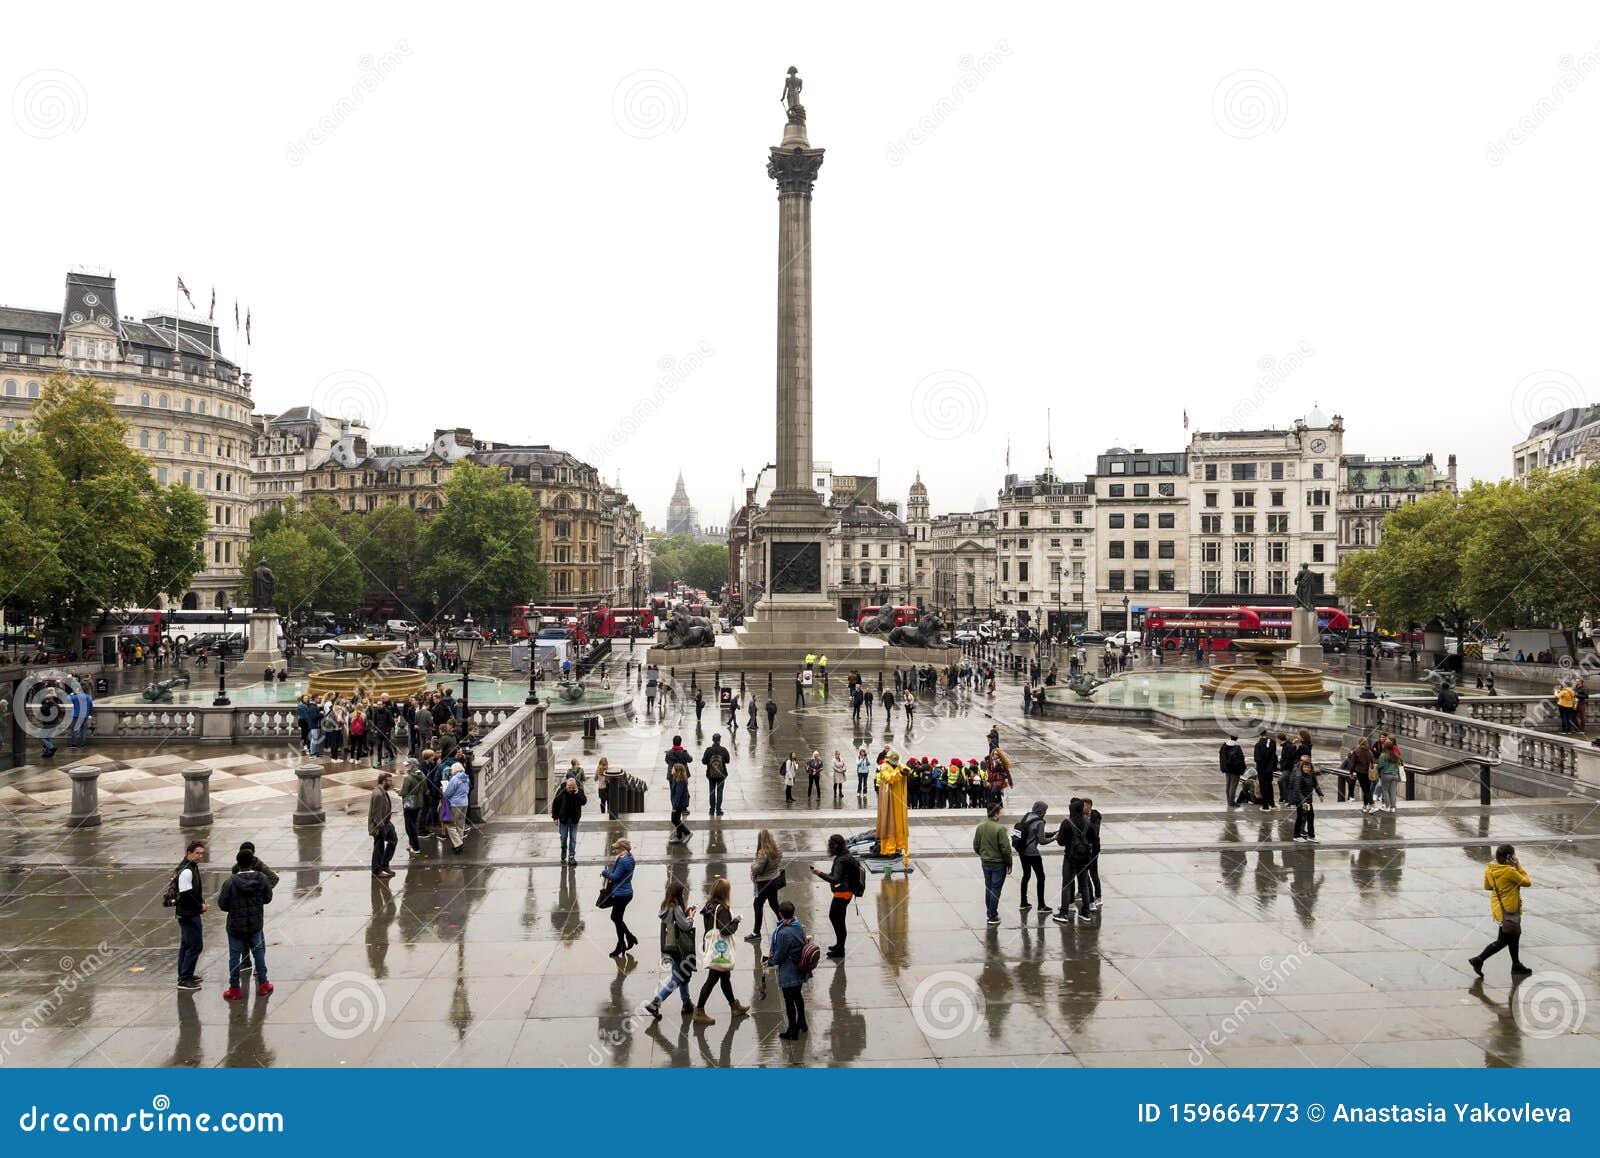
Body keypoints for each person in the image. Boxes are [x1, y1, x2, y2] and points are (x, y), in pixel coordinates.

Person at [1468, 844, 1533, 979]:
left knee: (1514, 935)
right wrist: (1518, 866)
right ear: (1509, 857)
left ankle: (1516, 964)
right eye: (1514, 855)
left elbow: (1487, 886)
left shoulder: (1490, 869)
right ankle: (1478, 960)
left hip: (1498, 908)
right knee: (1503, 940)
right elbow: (1527, 882)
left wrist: (1502, 886)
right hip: (1509, 910)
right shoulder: (1509, 871)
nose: (1516, 857)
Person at [218, 849, 274, 1000]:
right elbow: (268, 898)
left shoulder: (230, 882)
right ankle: (263, 984)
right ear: (252, 862)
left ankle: (235, 989)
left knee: (234, 957)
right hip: (255, 923)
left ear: (238, 863)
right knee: (259, 952)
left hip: (236, 925)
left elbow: (222, 904)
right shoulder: (261, 878)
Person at [692, 877, 748, 1023]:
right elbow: (725, 930)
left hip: (711, 944)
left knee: (724, 976)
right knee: (712, 979)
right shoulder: (722, 908)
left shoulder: (709, 905)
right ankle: (699, 1011)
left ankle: (734, 1006)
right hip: (720, 948)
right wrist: (735, 922)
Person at [644, 880, 698, 1019]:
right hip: (679, 946)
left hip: (670, 943)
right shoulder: (676, 908)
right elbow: (686, 926)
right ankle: (656, 1002)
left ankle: (686, 1003)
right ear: (679, 894)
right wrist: (691, 917)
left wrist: (684, 914)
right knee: (677, 977)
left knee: (682, 974)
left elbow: (674, 923)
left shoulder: (665, 906)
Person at [810, 833, 859, 956]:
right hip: (846, 893)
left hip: (842, 895)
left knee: (838, 921)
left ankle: (840, 949)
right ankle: (839, 945)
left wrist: (819, 873)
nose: (829, 849)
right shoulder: (846, 856)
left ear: (835, 846)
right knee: (836, 918)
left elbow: (836, 879)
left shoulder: (841, 860)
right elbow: (841, 875)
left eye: (830, 846)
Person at [1048, 799, 1095, 923]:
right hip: (1084, 858)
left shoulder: (1067, 823)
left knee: (1066, 885)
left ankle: (1064, 913)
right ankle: (1086, 913)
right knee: (1084, 885)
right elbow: (1094, 839)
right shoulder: (1087, 822)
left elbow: (1061, 842)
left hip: (1070, 857)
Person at [768, 900, 809, 1039]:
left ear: (780, 913)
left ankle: (792, 1030)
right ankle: (802, 1022)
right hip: (800, 966)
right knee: (798, 996)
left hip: (789, 970)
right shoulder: (798, 926)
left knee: (789, 1000)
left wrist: (770, 962)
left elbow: (780, 955)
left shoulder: (783, 932)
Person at [172, 840, 207, 991]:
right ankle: (184, 979)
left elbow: (194, 891)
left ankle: (185, 975)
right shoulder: (186, 870)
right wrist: (200, 906)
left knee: (186, 945)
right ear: (189, 853)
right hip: (188, 914)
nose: (200, 856)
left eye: (201, 854)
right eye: (197, 853)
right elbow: (186, 894)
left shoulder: (191, 867)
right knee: (195, 946)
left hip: (188, 913)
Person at [972, 802, 1013, 926]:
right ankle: (992, 915)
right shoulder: (1000, 829)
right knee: (996, 889)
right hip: (998, 864)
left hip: (985, 863)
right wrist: (1009, 863)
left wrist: (984, 855)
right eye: (1000, 811)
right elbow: (1005, 849)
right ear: (996, 814)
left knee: (989, 888)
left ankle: (990, 912)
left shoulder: (980, 827)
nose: (1002, 813)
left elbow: (976, 846)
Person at [747, 827, 785, 943]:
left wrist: (753, 864)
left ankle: (756, 932)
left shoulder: (763, 852)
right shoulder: (777, 849)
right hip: (774, 880)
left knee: (757, 905)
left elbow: (757, 869)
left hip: (764, 882)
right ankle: (784, 922)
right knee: (774, 903)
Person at [602, 838, 637, 958]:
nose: (614, 849)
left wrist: (605, 872)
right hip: (626, 892)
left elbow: (615, 877)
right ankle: (622, 943)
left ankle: (628, 938)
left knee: (615, 918)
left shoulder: (622, 861)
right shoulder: (630, 858)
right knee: (617, 919)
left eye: (616, 847)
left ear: (622, 849)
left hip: (621, 894)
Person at [1014, 800, 1051, 914]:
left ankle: (1023, 902)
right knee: (1041, 877)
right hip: (1032, 853)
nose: (1045, 813)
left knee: (1026, 876)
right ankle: (1041, 905)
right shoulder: (1040, 822)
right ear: (1041, 810)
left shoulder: (1027, 816)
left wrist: (1053, 833)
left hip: (1022, 851)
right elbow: (1042, 840)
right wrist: (1054, 838)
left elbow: (1032, 834)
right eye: (1045, 810)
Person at [1286, 754, 1323, 842]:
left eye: (1308, 767)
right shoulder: (1299, 775)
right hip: (1300, 800)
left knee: (1310, 817)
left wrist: (1320, 794)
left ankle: (1311, 836)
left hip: (1307, 800)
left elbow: (1315, 785)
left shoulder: (1311, 774)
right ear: (1302, 767)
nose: (1307, 769)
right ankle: (1296, 835)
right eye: (1305, 767)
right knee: (1300, 817)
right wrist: (1304, 801)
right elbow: (1297, 790)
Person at [368, 770, 398, 878]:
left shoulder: (382, 791)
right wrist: (380, 827)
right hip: (380, 825)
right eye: (389, 781)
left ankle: (384, 864)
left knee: (393, 840)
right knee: (379, 847)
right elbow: (375, 813)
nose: (391, 783)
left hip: (386, 822)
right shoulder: (378, 794)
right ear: (383, 781)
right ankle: (376, 870)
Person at [551, 775, 587, 864]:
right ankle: (563, 848)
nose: (570, 789)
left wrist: (577, 793)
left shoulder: (579, 791)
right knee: (563, 837)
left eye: (572, 787)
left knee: (573, 838)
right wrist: (555, 817)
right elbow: (555, 804)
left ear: (575, 786)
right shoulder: (561, 791)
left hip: (574, 819)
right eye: (569, 787)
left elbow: (584, 801)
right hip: (563, 819)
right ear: (566, 785)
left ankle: (571, 856)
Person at [440, 760, 471, 853]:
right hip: (465, 803)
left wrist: (443, 790)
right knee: (460, 824)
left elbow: (448, 793)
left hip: (455, 804)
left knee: (450, 825)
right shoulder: (466, 778)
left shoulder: (454, 779)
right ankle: (459, 842)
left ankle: (458, 843)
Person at [399, 759, 427, 854]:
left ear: (412, 766)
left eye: (407, 765)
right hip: (419, 802)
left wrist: (398, 791)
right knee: (414, 823)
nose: (405, 766)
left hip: (409, 802)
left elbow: (404, 792)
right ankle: (411, 844)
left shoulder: (408, 778)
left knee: (410, 826)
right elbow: (425, 789)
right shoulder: (421, 775)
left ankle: (415, 847)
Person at [1081, 796, 1104, 910]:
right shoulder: (1082, 816)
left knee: (1093, 872)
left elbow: (1095, 831)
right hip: (1084, 848)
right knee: (1083, 872)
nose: (1082, 808)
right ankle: (1083, 892)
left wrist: (1087, 821)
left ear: (1089, 806)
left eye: (1084, 805)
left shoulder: (1095, 816)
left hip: (1093, 848)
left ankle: (1098, 896)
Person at [702, 732, 731, 817]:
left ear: (712, 740)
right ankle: (718, 810)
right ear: (719, 740)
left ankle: (711, 810)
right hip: (721, 774)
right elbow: (728, 761)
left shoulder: (708, 750)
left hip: (711, 774)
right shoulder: (723, 750)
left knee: (712, 792)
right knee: (719, 792)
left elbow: (704, 761)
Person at [1348, 737, 1375, 813]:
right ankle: (1365, 806)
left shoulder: (1356, 751)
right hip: (1368, 772)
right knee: (1367, 789)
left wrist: (1351, 773)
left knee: (1365, 790)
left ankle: (1372, 805)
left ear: (1359, 742)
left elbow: (1352, 764)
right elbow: (1372, 762)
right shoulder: (1369, 751)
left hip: (1360, 772)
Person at [1252, 730, 1277, 810]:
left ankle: (1265, 805)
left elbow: (1257, 759)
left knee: (1263, 786)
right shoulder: (1272, 742)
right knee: (1269, 785)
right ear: (1265, 733)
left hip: (1262, 769)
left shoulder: (1258, 745)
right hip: (1270, 768)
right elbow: (1274, 755)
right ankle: (1272, 803)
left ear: (1259, 734)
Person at [1219, 734, 1247, 807]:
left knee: (1228, 784)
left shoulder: (1224, 746)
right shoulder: (1237, 747)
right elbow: (1241, 759)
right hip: (1235, 770)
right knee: (1233, 785)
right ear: (1237, 738)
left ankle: (1229, 800)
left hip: (1227, 768)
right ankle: (1231, 802)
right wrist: (1243, 768)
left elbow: (1221, 757)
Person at [668, 762, 692, 845]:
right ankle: (678, 837)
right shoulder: (676, 779)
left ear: (677, 770)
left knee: (674, 819)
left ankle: (687, 833)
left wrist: (674, 806)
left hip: (679, 804)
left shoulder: (679, 781)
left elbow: (678, 795)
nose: (671, 769)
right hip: (678, 803)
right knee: (677, 819)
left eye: (673, 768)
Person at [1376, 740, 1402, 814]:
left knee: (1385, 790)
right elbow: (1399, 766)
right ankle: (1393, 807)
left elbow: (1381, 766)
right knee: (1393, 792)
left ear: (1385, 746)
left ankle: (1387, 807)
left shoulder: (1383, 755)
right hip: (1395, 775)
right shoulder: (1396, 755)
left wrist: (1377, 768)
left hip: (1386, 775)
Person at [66, 682, 93, 749]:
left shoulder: (76, 696)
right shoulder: (88, 697)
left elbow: (67, 698)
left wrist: (72, 694)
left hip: (76, 715)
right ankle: (82, 744)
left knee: (74, 729)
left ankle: (74, 744)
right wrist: (89, 714)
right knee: (83, 729)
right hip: (84, 715)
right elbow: (90, 706)